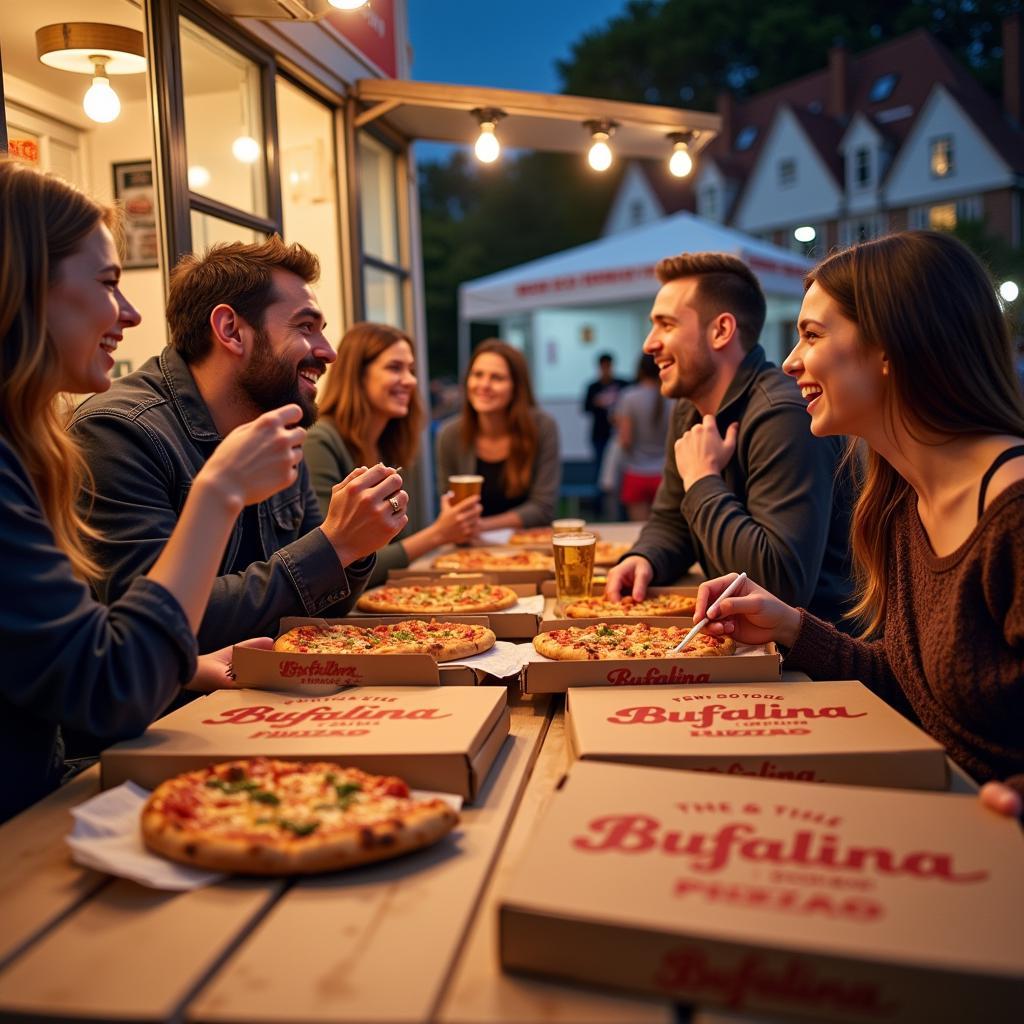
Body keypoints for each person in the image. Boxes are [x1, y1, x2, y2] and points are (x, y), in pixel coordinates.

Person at [0, 159, 304, 822]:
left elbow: (66, 654)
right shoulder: (114, 429)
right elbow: (111, 689)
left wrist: (186, 664)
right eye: (109, 282)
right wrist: (219, 492)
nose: (132, 313)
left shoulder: (28, 450)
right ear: (22, 289)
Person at [693, 231, 1024, 817]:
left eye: (812, 335)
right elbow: (917, 689)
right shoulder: (899, 501)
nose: (790, 360)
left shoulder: (1013, 513)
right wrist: (790, 626)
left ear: (891, 347)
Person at [70, 237, 407, 654]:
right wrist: (336, 545)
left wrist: (353, 549)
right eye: (305, 326)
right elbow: (160, 629)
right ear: (230, 330)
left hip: (275, 696)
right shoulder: (117, 433)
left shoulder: (277, 422)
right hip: (172, 715)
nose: (329, 352)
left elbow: (321, 616)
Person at [605, 252, 853, 624]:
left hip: (813, 660)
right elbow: (672, 522)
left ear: (721, 330)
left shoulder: (783, 414)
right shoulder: (690, 408)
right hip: (738, 637)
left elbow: (779, 586)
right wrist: (645, 558)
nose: (649, 344)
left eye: (666, 325)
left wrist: (703, 480)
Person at [305, 322, 481, 586]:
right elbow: (329, 565)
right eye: (394, 368)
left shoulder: (390, 443)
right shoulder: (320, 442)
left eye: (410, 370)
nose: (411, 381)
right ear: (357, 374)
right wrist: (439, 533)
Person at [435, 339, 560, 531]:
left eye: (497, 378)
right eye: (477, 375)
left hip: (527, 547)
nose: (484, 385)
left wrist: (481, 526)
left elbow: (543, 508)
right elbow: (449, 504)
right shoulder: (450, 434)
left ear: (516, 387)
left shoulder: (543, 427)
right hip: (468, 550)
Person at [613, 352, 673, 521]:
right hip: (664, 475)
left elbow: (625, 440)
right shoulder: (671, 397)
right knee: (665, 532)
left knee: (638, 533)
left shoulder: (629, 397)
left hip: (636, 473)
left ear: (639, 370)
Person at [582, 351, 627, 490]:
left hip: (620, 434)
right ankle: (600, 505)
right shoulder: (593, 387)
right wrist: (597, 403)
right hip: (600, 433)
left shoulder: (622, 384)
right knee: (600, 470)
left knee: (621, 469)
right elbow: (585, 408)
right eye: (604, 366)